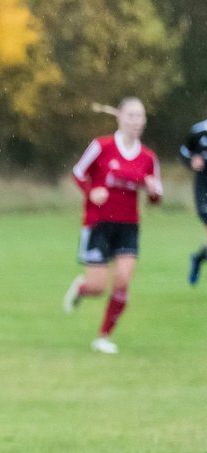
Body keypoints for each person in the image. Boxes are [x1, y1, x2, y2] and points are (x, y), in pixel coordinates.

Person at [63, 98, 162, 355]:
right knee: (97, 287)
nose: (136, 121)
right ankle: (81, 288)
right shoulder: (101, 146)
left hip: (128, 226)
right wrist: (91, 191)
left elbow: (155, 199)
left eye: (140, 117)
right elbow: (78, 173)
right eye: (131, 115)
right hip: (98, 225)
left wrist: (153, 192)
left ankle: (103, 336)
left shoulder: (148, 158)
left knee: (122, 281)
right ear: (119, 117)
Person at [181, 117, 207, 285]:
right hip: (204, 191)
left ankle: (198, 258)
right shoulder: (198, 131)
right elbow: (184, 151)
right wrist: (192, 161)